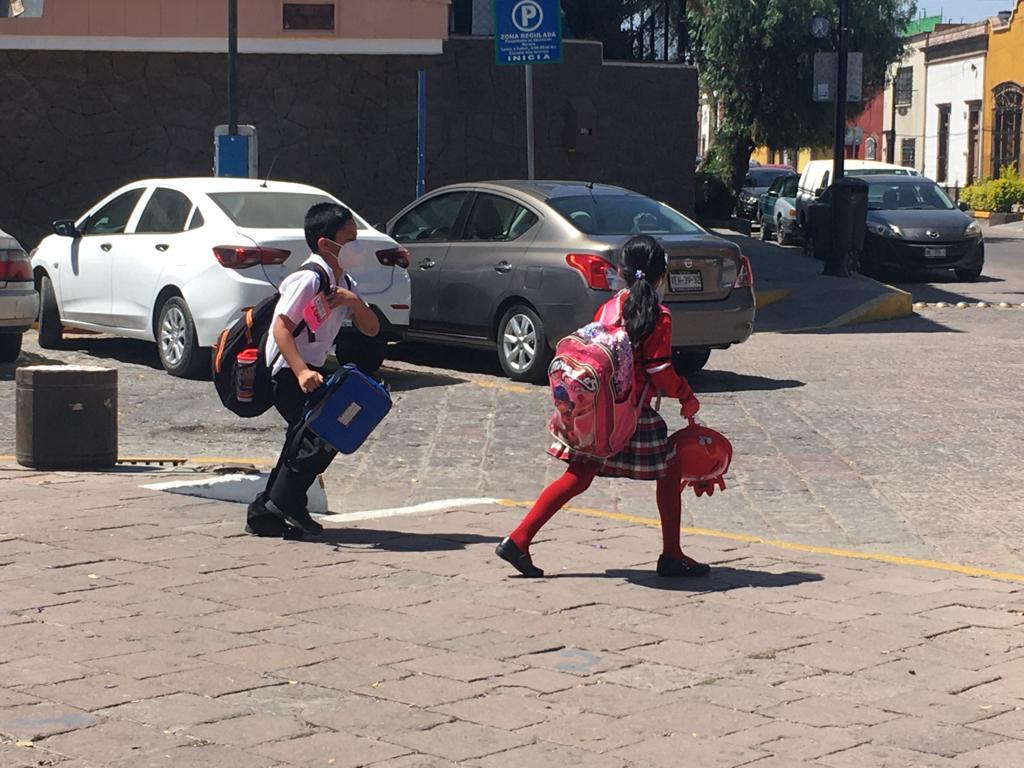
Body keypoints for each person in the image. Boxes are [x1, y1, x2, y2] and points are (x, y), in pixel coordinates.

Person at [495, 235, 709, 578]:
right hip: (632, 413)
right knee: (669, 471)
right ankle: (671, 554)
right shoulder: (659, 316)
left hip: (598, 409)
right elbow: (660, 370)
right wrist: (686, 396)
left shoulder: (609, 308)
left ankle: (519, 539)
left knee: (578, 475)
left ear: (621, 273)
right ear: (661, 276)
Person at [246, 202, 380, 537]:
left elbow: (371, 329)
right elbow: (281, 328)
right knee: (316, 437)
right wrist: (301, 372)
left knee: (310, 438)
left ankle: (270, 510)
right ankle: (281, 506)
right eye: (349, 239)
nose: (356, 246)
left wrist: (354, 302)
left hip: (314, 368)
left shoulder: (344, 282)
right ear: (325, 243)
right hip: (287, 369)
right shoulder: (309, 279)